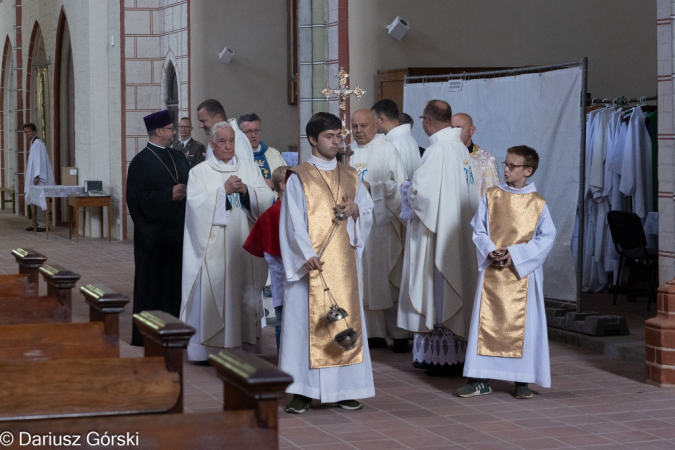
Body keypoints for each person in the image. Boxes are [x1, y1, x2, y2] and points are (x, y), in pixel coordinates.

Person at [279, 112, 375, 414]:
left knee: (343, 323)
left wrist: (358, 208)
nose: (337, 141)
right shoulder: (299, 176)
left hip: (342, 264)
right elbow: (292, 221)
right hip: (312, 263)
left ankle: (343, 389)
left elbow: (368, 212)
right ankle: (302, 391)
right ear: (312, 139)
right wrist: (304, 253)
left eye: (338, 136)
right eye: (329, 137)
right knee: (305, 327)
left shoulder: (351, 174)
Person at [457, 146, 556, 399]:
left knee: (525, 325)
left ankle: (522, 380)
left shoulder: (538, 203)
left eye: (513, 166)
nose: (506, 169)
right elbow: (478, 230)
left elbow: (546, 238)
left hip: (523, 275)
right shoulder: (491, 196)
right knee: (485, 323)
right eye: (506, 164)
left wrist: (515, 254)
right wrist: (490, 249)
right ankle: (479, 378)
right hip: (493, 271)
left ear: (528, 171)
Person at [180, 121, 275, 361]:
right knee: (214, 296)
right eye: (222, 141)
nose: (228, 146)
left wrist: (246, 192)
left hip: (242, 247)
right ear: (212, 144)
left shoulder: (249, 168)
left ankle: (241, 349)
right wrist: (223, 191)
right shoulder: (199, 172)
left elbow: (266, 197)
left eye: (231, 140)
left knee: (241, 294)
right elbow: (194, 207)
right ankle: (208, 352)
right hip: (212, 249)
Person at [398, 100, 479, 375]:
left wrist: (407, 191)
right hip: (458, 232)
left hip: (439, 237)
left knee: (439, 290)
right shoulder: (460, 149)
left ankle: (440, 359)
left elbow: (422, 196)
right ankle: (455, 352)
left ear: (426, 121)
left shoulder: (437, 150)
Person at [126, 110, 189, 346]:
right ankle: (146, 334)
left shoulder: (179, 157)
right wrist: (168, 195)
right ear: (159, 131)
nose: (175, 132)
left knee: (175, 285)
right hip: (152, 237)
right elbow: (136, 199)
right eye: (171, 128)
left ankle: (174, 331)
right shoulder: (140, 162)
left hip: (178, 234)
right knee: (151, 284)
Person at [349, 108, 409, 352]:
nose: (358, 131)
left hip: (381, 224)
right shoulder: (349, 153)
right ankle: (372, 333)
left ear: (376, 126)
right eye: (354, 126)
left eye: (363, 126)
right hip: (357, 225)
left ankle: (399, 334)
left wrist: (370, 186)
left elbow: (399, 185)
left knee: (384, 276)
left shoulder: (387, 150)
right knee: (363, 278)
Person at [243, 165, 289, 352]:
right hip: (282, 275)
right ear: (283, 185)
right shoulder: (274, 212)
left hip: (295, 273)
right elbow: (268, 249)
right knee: (281, 317)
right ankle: (283, 356)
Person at [451, 113, 500, 198]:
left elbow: (492, 198)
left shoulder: (487, 160)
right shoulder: (443, 156)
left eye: (459, 128)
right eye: (452, 128)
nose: (454, 133)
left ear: (472, 130)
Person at [372, 99, 420, 179]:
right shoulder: (411, 139)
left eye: (373, 119)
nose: (372, 123)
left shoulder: (394, 143)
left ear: (381, 120)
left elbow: (395, 181)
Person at [196, 99, 253, 163]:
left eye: (203, 121)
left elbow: (243, 170)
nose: (200, 126)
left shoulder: (237, 139)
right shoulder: (214, 138)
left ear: (218, 118)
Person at [238, 113, 286, 188]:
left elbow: (286, 178)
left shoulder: (273, 153)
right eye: (249, 131)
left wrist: (273, 183)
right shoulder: (236, 155)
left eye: (256, 131)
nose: (253, 135)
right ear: (240, 134)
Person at [23, 123, 55, 232]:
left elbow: (39, 161)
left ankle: (42, 224)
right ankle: (35, 223)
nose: (26, 134)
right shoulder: (33, 143)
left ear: (34, 131)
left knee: (40, 200)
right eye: (25, 132)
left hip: (38, 180)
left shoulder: (38, 144)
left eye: (28, 131)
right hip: (34, 178)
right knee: (33, 200)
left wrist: (37, 176)